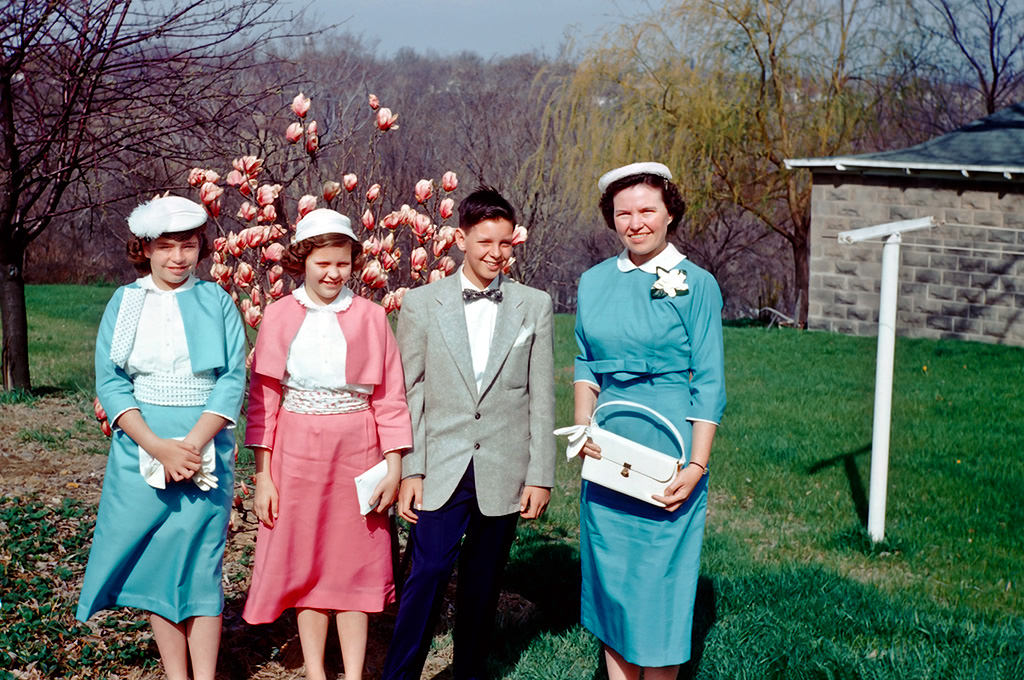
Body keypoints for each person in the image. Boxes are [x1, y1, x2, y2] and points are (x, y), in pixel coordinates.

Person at [381, 186, 556, 680]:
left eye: (505, 244)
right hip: (440, 463)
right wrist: (410, 468)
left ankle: (470, 673)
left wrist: (540, 474)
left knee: (483, 582)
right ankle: (399, 674)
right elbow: (408, 390)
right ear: (461, 239)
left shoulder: (534, 305)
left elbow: (542, 396)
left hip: (504, 466)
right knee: (428, 572)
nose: (495, 254)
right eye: (485, 243)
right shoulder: (421, 303)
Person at [76, 195, 246, 680]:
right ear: (145, 248)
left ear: (200, 247)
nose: (178, 258)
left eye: (188, 246)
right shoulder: (127, 302)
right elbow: (110, 381)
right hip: (141, 446)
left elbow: (232, 377)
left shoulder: (216, 301)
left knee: (199, 562)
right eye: (166, 247)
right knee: (155, 561)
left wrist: (191, 445)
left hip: (204, 444)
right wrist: (156, 446)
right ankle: (176, 674)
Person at [242, 208, 412, 680]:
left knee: (353, 563)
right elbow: (264, 403)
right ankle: (316, 670)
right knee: (307, 559)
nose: (334, 273)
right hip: (296, 451)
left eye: (343, 263)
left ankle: (354, 672)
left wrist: (394, 466)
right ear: (302, 261)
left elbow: (391, 398)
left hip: (358, 451)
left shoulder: (372, 318)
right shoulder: (278, 316)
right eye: (323, 264)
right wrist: (264, 476)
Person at [571, 162, 726, 679]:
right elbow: (585, 362)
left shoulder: (696, 285)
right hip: (610, 449)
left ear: (669, 214)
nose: (635, 222)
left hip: (671, 448)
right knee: (613, 583)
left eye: (646, 211)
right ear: (611, 220)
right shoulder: (592, 283)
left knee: (659, 587)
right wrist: (584, 428)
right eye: (623, 213)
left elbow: (709, 381)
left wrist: (698, 465)